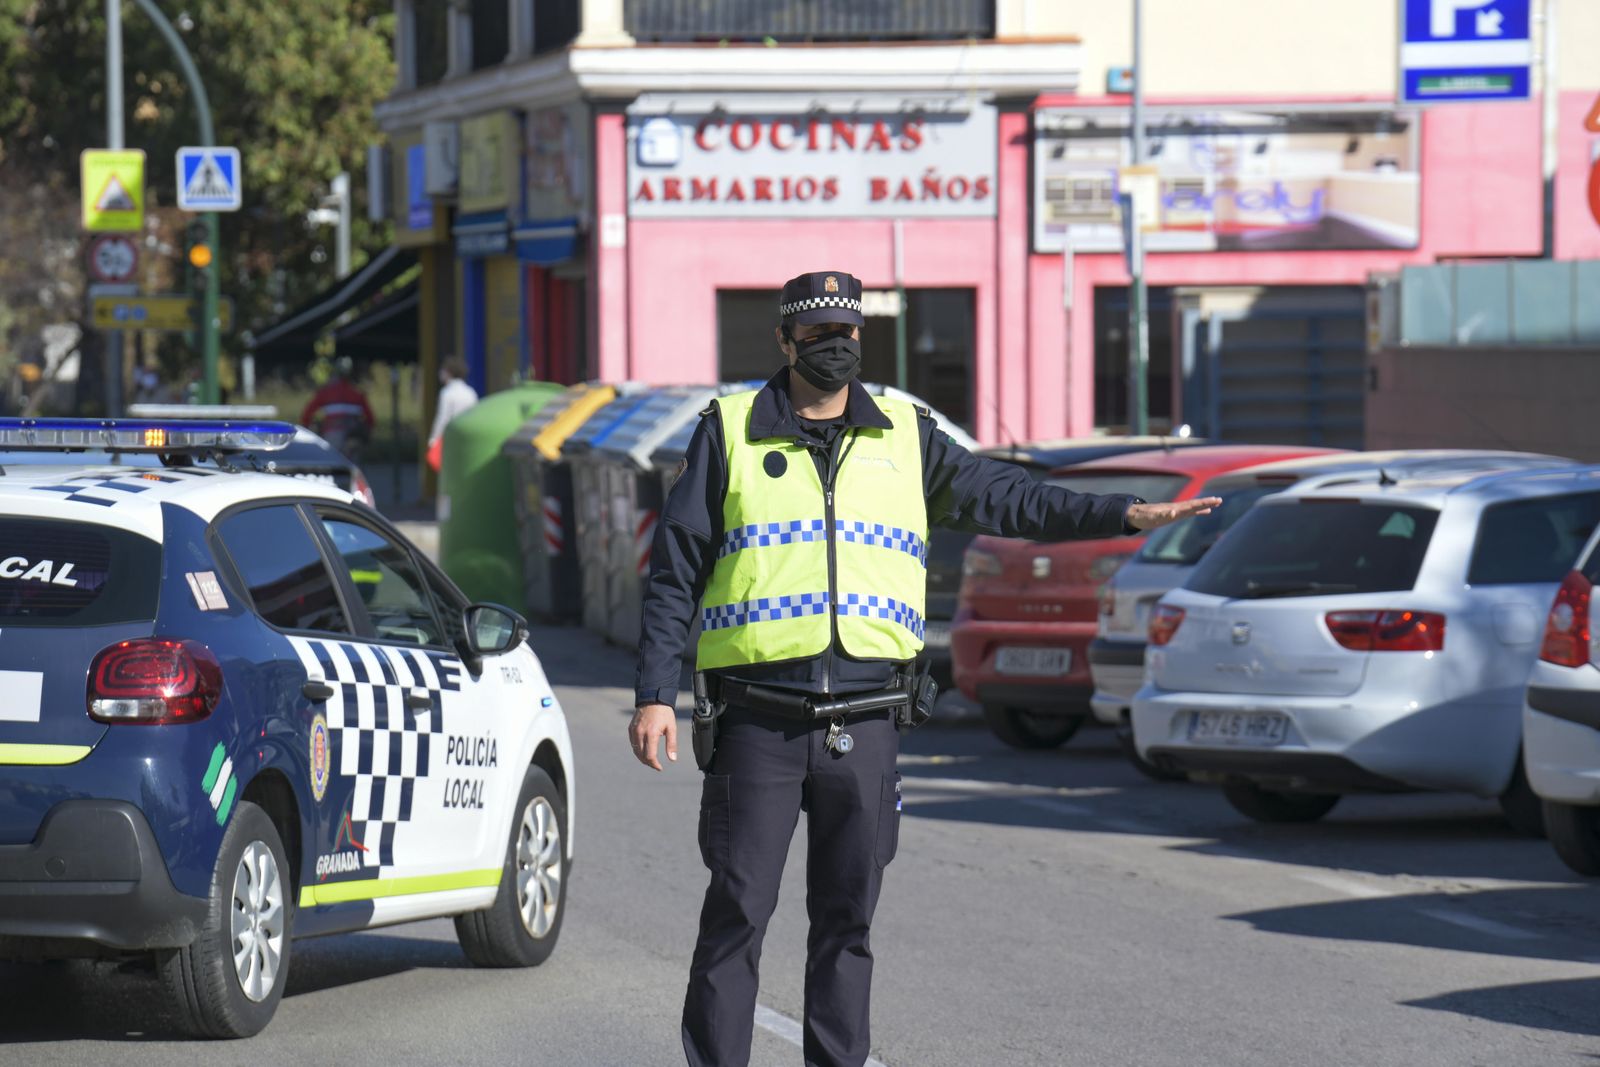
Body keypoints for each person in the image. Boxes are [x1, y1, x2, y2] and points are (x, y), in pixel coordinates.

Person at [629, 270, 1221, 1067]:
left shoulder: (906, 434)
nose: (834, 346)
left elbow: (1012, 497)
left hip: (869, 719)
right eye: (815, 335)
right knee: (737, 912)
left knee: (849, 922)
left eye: (846, 331)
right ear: (784, 340)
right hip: (758, 720)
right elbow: (675, 570)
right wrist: (655, 693)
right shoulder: (729, 430)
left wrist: (1120, 510)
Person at [301, 356, 374, 459]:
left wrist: (309, 431)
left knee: (331, 464)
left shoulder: (325, 393)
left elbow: (306, 415)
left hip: (331, 436)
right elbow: (371, 419)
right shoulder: (357, 394)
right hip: (352, 438)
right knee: (352, 467)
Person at [427, 354, 479, 472]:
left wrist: (433, 439)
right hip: (467, 440)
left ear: (448, 372)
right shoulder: (471, 392)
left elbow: (442, 418)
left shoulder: (446, 393)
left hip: (450, 441)